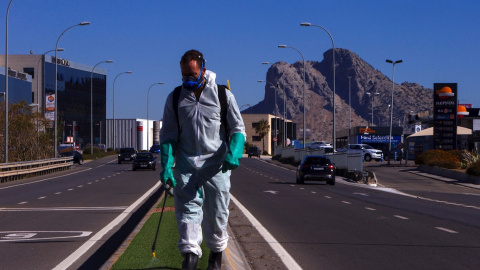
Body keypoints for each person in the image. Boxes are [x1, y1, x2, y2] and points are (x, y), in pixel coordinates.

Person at [160, 49, 246, 270]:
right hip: (187, 168)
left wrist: (234, 152)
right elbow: (169, 135)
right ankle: (190, 259)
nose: (188, 79)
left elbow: (238, 129)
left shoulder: (222, 95)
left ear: (203, 70)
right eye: (184, 75)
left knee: (217, 215)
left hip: (216, 168)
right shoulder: (176, 98)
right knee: (187, 214)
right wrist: (167, 165)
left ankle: (215, 257)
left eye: (192, 74)